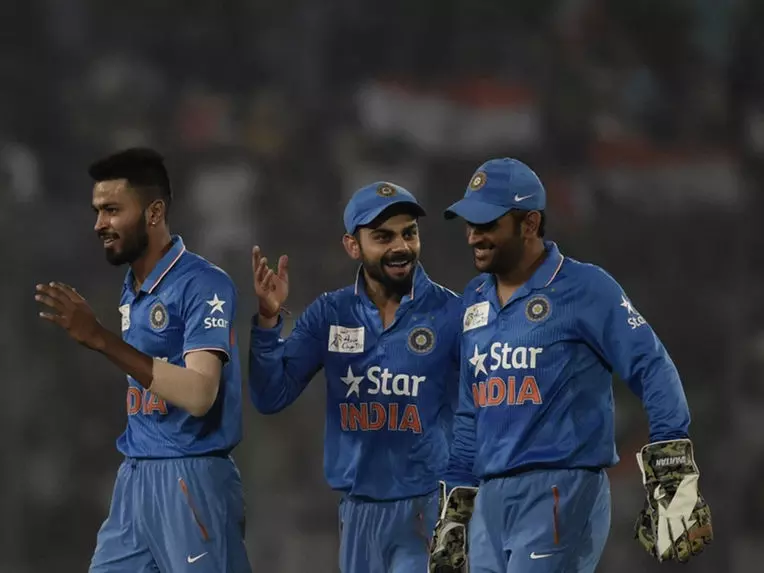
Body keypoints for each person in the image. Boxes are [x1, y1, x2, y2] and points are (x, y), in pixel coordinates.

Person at [428, 158, 713, 573]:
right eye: (470, 223)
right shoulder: (474, 299)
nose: (474, 235)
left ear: (529, 223)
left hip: (560, 491)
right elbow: (472, 410)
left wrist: (671, 460)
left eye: (487, 223)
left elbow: (650, 364)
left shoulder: (584, 287)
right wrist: (457, 504)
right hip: (490, 501)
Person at [35, 148, 251, 573]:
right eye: (97, 211)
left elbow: (200, 394)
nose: (100, 224)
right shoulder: (133, 286)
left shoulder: (204, 284)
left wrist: (101, 339)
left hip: (191, 479)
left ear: (154, 213)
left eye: (113, 210)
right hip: (135, 479)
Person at [249, 182, 463, 573]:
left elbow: (479, 412)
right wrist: (267, 320)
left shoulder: (452, 313)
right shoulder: (329, 313)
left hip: (427, 508)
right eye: (383, 237)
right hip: (357, 514)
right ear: (353, 246)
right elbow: (270, 395)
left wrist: (464, 508)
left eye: (409, 233)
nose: (401, 246)